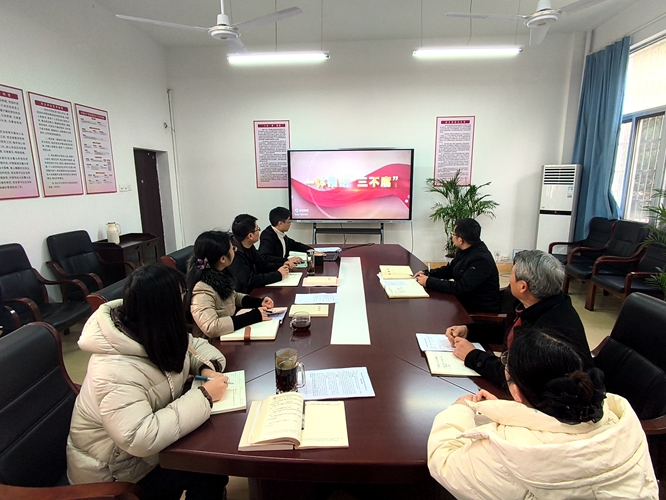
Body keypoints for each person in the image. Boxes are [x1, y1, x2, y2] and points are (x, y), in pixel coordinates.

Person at [428, 328, 658, 499]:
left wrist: (460, 409)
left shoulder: (509, 451)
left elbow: (444, 460)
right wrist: (506, 411)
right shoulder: (618, 416)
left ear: (516, 393)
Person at [67, 263, 230, 499]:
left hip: (146, 455)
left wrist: (207, 368)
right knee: (210, 468)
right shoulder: (114, 371)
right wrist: (204, 396)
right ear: (164, 308)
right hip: (117, 476)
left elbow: (194, 346)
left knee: (212, 460)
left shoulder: (152, 329)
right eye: (182, 296)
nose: (185, 303)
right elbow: (140, 438)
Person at [446, 249, 590, 388]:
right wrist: (469, 330)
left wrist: (472, 356)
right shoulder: (541, 303)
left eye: (512, 273)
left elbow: (513, 379)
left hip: (538, 396)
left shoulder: (546, 334)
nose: (509, 279)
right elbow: (506, 329)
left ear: (523, 286)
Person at [185, 230, 275, 340]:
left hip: (227, 335)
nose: (235, 251)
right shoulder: (201, 289)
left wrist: (258, 302)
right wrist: (253, 316)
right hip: (214, 342)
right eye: (233, 249)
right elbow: (211, 327)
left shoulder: (219, 273)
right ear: (223, 259)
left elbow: (232, 296)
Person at [414, 218, 501, 313]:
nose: (452, 237)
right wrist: (428, 273)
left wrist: (428, 281)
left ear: (460, 240)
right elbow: (450, 270)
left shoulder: (481, 260)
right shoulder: (466, 249)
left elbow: (461, 288)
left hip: (478, 310)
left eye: (453, 234)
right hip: (464, 301)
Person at [228, 213, 290, 293]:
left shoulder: (249, 245)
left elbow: (262, 266)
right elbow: (250, 280)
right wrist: (278, 275)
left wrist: (283, 264)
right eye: (258, 229)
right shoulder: (234, 254)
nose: (259, 231)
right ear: (250, 236)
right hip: (244, 295)